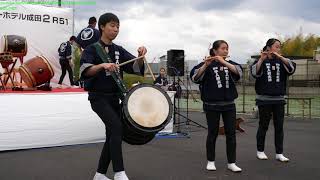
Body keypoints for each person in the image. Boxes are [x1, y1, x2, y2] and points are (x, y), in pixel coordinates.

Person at [80, 13, 146, 180]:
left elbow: (135, 67)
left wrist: (140, 56)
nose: (116, 29)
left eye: (118, 26)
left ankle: (100, 174)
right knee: (117, 128)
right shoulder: (92, 49)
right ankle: (119, 172)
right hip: (98, 98)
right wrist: (102, 65)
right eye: (112, 25)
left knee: (112, 134)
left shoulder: (119, 50)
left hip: (114, 98)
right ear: (102, 26)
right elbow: (85, 70)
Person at [190, 40, 242, 172]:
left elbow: (238, 73)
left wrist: (223, 62)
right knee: (212, 133)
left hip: (229, 105)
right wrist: (205, 66)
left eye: (227, 49)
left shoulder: (231, 64)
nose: (226, 51)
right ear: (215, 50)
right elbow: (195, 78)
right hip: (211, 105)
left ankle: (231, 162)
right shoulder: (204, 64)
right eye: (223, 49)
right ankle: (211, 161)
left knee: (231, 134)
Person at [250, 38, 296, 162]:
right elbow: (254, 73)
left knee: (279, 127)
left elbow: (291, 68)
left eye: (279, 47)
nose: (278, 49)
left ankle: (279, 153)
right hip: (264, 99)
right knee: (263, 125)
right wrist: (261, 59)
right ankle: (260, 151)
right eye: (276, 46)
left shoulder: (282, 60)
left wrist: (280, 57)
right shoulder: (260, 60)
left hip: (279, 99)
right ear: (269, 47)